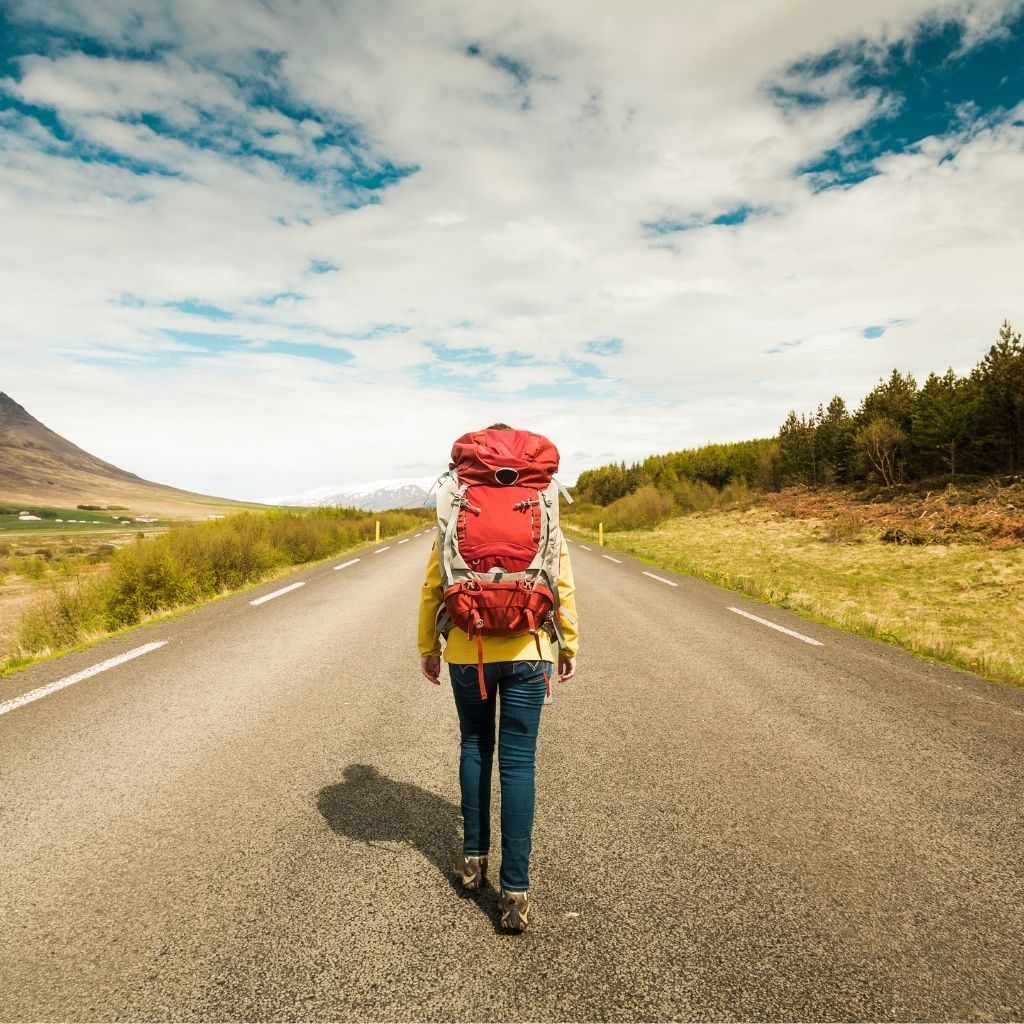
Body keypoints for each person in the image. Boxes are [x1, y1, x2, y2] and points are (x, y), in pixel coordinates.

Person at [417, 426, 579, 932]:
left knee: (473, 745)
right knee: (518, 764)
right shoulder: (540, 501)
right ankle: (515, 890)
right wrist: (567, 642)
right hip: (530, 646)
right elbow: (562, 576)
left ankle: (471, 862)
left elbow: (434, 582)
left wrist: (429, 646)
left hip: (470, 645)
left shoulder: (458, 501)